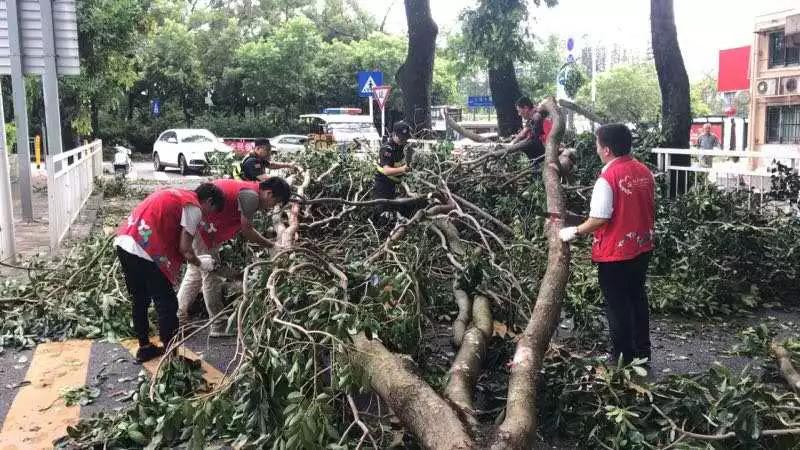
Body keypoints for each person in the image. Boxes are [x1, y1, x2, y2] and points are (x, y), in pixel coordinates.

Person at [558, 123, 655, 366]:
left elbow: (600, 218)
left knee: (617, 306)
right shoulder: (643, 171)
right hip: (642, 247)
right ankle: (642, 352)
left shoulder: (608, 177)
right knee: (637, 298)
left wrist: (575, 231)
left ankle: (623, 356)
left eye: (598, 144)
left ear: (607, 149)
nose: (596, 149)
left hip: (616, 253)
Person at [115, 183, 225, 362]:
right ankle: (171, 357)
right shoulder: (194, 208)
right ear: (209, 201)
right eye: (210, 211)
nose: (206, 217)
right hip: (145, 250)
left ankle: (145, 348)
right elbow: (185, 249)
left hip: (124, 241)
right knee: (167, 304)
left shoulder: (179, 194)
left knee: (140, 300)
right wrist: (201, 263)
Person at [177, 177, 292, 336]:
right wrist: (271, 245)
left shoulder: (249, 190)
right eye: (276, 202)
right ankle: (218, 325)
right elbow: (247, 230)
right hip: (205, 226)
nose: (272, 207)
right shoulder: (251, 197)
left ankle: (178, 316)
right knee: (211, 274)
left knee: (196, 271)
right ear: (268, 193)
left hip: (205, 225)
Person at [373, 121, 413, 220]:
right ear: (394, 134)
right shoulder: (387, 149)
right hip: (383, 186)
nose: (404, 140)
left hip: (395, 186)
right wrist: (403, 169)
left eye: (405, 138)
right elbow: (386, 171)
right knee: (383, 215)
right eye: (401, 138)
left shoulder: (402, 147)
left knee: (400, 210)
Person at [508, 96, 553, 167]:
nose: (519, 114)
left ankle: (536, 167)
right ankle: (535, 165)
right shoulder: (532, 117)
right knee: (525, 141)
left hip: (548, 148)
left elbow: (533, 138)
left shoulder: (537, 116)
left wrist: (514, 145)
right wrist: (511, 143)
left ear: (526, 108)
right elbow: (523, 133)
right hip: (544, 146)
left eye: (519, 111)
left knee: (528, 144)